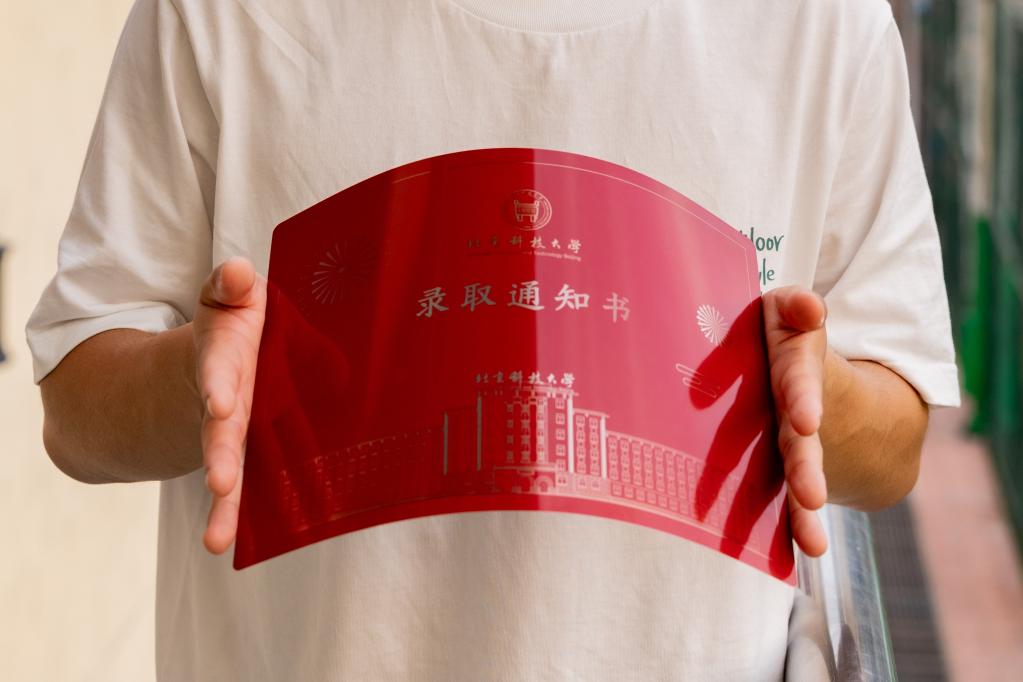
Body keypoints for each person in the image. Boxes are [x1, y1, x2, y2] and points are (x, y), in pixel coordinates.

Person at [27, 0, 959, 679]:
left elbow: (895, 438)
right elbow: (75, 408)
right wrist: (198, 382)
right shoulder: (220, 17)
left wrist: (815, 396)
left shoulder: (821, 28)